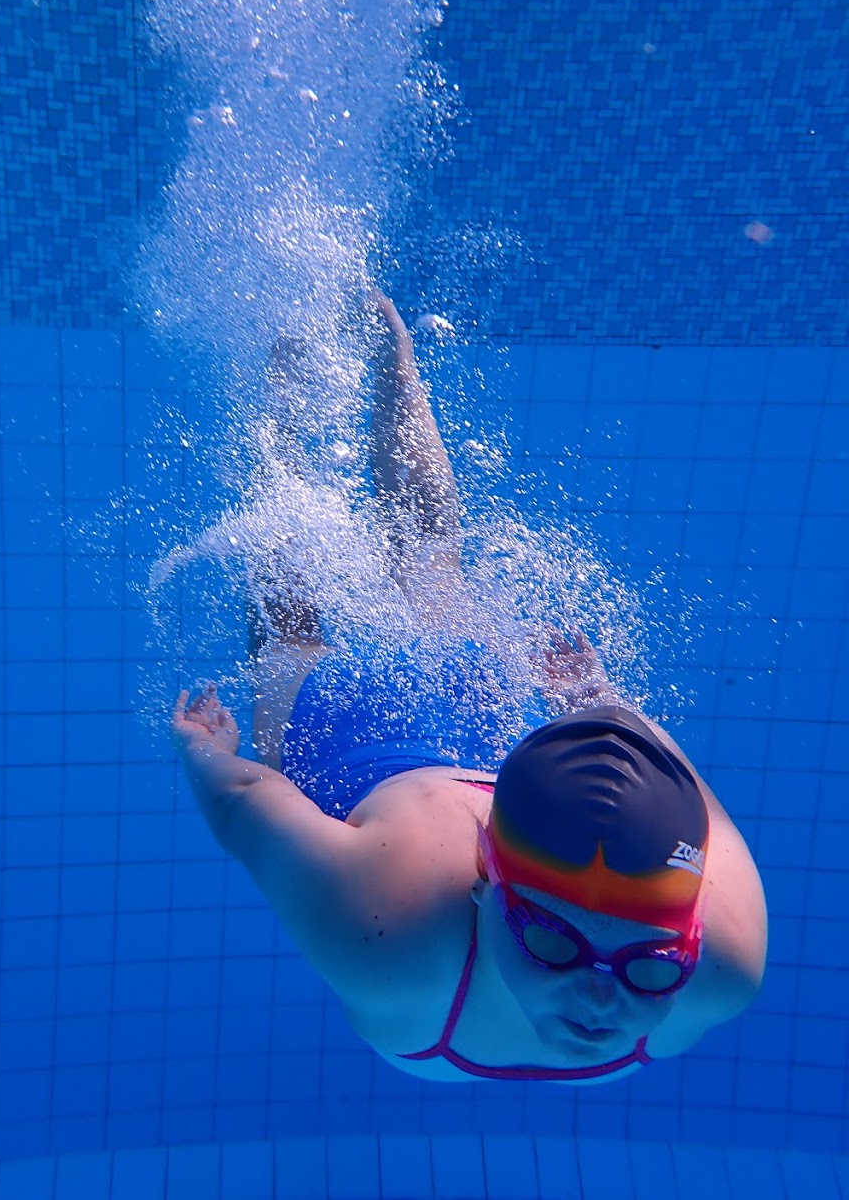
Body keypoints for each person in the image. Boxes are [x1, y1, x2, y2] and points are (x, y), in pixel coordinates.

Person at [170, 294, 767, 1083]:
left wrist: (601, 707)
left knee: (398, 575)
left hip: (471, 736)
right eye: (552, 938)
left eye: (655, 962)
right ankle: (329, 386)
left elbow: (691, 803)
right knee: (317, 614)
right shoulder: (388, 931)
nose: (599, 998)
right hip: (361, 751)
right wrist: (206, 758)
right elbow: (244, 799)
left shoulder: (721, 962)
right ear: (483, 881)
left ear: (688, 932)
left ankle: (314, 395)